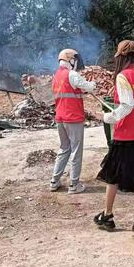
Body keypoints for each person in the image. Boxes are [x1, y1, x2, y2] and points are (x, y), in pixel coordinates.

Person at [94, 40, 134, 236]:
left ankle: (107, 215)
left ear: (121, 57)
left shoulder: (123, 77)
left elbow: (127, 105)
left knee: (112, 175)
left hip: (127, 135)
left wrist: (106, 117)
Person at [50, 48, 96, 194]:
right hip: (73, 118)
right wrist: (93, 84)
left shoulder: (56, 76)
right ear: (71, 60)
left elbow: (71, 90)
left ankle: (54, 181)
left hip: (60, 118)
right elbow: (88, 86)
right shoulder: (72, 74)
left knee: (64, 149)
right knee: (76, 151)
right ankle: (74, 185)